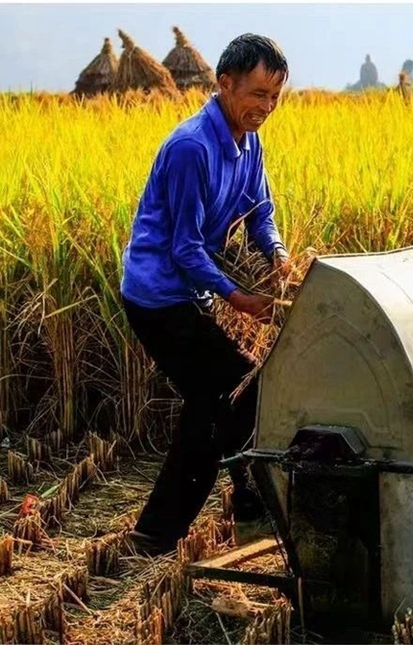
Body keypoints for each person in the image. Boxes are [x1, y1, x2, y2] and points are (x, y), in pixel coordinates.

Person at [119, 33, 291, 555]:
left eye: (275, 97)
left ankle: (172, 527)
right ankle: (235, 510)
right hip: (157, 297)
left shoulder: (248, 141)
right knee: (234, 392)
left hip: (190, 295)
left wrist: (278, 256)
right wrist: (242, 299)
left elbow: (259, 211)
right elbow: (185, 249)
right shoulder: (192, 147)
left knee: (217, 402)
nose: (266, 107)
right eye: (258, 93)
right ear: (225, 83)